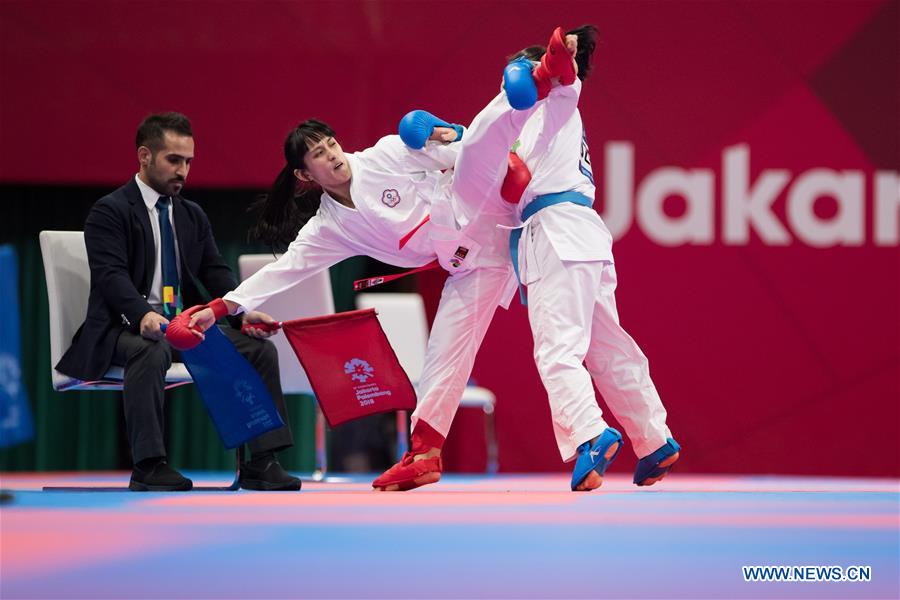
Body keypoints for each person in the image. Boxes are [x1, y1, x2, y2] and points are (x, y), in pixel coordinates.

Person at [182, 28, 581, 491]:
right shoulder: (329, 228)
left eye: (329, 144)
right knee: (444, 355)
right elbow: (285, 269)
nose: (331, 156)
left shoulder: (388, 152)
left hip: (472, 205)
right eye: (318, 155)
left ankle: (544, 76)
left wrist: (447, 132)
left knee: (476, 146)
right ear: (304, 175)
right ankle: (424, 452)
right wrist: (220, 307)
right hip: (471, 260)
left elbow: (462, 151)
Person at [56, 112, 301, 492]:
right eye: (174, 160)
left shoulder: (191, 214)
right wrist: (143, 316)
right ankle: (149, 466)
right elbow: (110, 278)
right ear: (144, 156)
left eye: (188, 161)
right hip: (119, 330)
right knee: (149, 350)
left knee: (257, 349)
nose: (183, 170)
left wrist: (240, 311)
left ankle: (262, 461)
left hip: (182, 327)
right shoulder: (110, 210)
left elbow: (215, 272)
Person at [503, 26, 681, 491]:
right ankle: (654, 438)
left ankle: (590, 434)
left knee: (557, 349)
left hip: (556, 234)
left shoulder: (553, 102)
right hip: (584, 234)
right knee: (607, 348)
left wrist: (563, 59)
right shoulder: (535, 126)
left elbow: (565, 79)